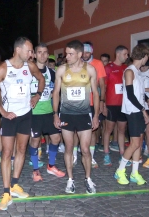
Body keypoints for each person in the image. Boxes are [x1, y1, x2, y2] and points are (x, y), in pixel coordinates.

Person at [0, 37, 45, 210]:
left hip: (26, 115)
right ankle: (6, 193)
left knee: (21, 150)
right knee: (6, 153)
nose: (32, 53)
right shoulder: (4, 68)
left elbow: (41, 79)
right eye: (29, 50)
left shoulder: (30, 66)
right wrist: (2, 112)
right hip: (10, 117)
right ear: (18, 50)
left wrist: (37, 95)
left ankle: (15, 185)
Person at [52, 40, 99, 194]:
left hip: (84, 113)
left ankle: (88, 178)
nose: (67, 56)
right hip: (66, 114)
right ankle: (70, 179)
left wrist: (96, 115)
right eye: (66, 53)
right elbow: (56, 94)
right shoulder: (61, 70)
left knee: (85, 149)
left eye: (71, 54)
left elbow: (96, 94)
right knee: (69, 148)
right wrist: (55, 114)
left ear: (79, 54)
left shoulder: (90, 70)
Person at [114, 44, 149, 185]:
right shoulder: (129, 71)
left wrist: (146, 104)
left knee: (139, 143)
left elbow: (139, 93)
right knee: (134, 143)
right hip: (133, 111)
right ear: (144, 56)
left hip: (138, 110)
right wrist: (143, 110)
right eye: (148, 56)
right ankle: (120, 170)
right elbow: (130, 95)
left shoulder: (137, 72)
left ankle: (135, 173)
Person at [29, 43, 65, 182]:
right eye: (39, 52)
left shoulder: (52, 73)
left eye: (45, 52)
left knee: (56, 138)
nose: (42, 55)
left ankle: (51, 166)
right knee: (35, 141)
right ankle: (36, 170)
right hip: (34, 113)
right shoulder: (29, 71)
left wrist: (56, 112)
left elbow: (55, 94)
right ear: (34, 54)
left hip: (49, 112)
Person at [102, 46, 128, 165]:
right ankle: (106, 153)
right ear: (118, 54)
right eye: (125, 54)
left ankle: (122, 155)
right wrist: (103, 104)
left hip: (124, 105)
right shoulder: (108, 68)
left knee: (122, 130)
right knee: (109, 130)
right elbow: (103, 87)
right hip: (111, 104)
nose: (127, 57)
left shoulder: (126, 68)